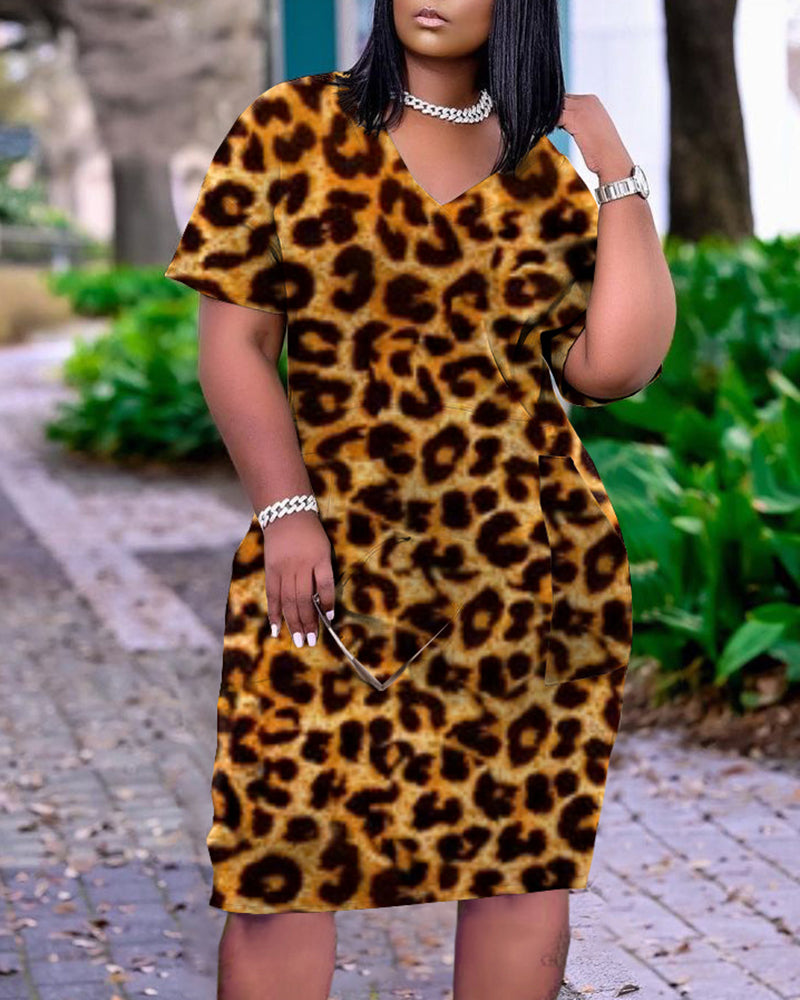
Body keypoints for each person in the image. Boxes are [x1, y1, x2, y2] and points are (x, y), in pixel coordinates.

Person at [164, 0, 675, 997]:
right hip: (325, 566)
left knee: (519, 863)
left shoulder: (542, 175)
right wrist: (286, 510)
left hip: (525, 577)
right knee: (281, 862)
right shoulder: (288, 127)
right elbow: (234, 343)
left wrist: (612, 168)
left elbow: (612, 368)